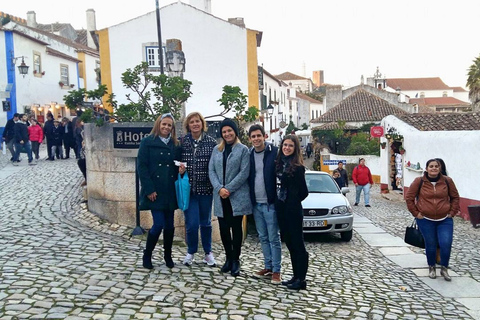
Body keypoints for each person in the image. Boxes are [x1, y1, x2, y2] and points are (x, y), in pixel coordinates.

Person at [137, 113, 182, 269]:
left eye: (169, 125)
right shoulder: (147, 142)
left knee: (170, 225)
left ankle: (167, 256)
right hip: (155, 190)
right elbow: (141, 167)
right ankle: (147, 254)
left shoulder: (175, 144)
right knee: (158, 224)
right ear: (158, 124)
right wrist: (149, 189)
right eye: (164, 124)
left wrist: (181, 168)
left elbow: (178, 164)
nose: (166, 127)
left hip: (169, 190)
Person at [208, 118, 251, 277]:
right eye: (224, 131)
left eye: (229, 131)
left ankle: (235, 260)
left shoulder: (243, 150)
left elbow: (244, 172)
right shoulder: (216, 150)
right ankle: (227, 258)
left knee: (236, 229)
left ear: (235, 132)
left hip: (236, 196)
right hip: (220, 197)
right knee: (224, 229)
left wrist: (229, 189)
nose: (227, 134)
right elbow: (211, 171)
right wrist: (219, 188)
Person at [405, 159, 460, 281]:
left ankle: (444, 268)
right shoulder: (419, 181)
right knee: (430, 245)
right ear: (426, 168)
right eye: (431, 166)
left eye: (436, 166)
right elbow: (409, 198)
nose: (434, 168)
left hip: (444, 219)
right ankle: (431, 267)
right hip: (425, 219)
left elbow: (455, 197)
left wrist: (452, 212)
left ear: (440, 168)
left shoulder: (447, 181)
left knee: (446, 243)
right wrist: (416, 213)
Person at [180, 112, 217, 267]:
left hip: (206, 189)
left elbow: (215, 165)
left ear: (202, 124)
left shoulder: (211, 142)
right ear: (188, 125)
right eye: (192, 122)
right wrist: (180, 170)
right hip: (189, 190)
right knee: (192, 224)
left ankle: (208, 252)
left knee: (206, 223)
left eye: (198, 121)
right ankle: (191, 251)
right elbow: (175, 161)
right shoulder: (182, 142)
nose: (195, 124)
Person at [248, 124, 282, 285]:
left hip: (270, 203)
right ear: (250, 139)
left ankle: (276, 270)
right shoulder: (249, 154)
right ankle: (267, 266)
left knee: (274, 238)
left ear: (264, 136)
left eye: (258, 136)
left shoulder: (274, 153)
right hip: (256, 204)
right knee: (262, 237)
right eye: (253, 136)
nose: (256, 139)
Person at [275, 134, 309, 290]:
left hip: (293, 211)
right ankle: (295, 276)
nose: (286, 148)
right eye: (285, 145)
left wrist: (292, 201)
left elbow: (304, 192)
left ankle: (301, 280)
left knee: (298, 245)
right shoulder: (279, 164)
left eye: (290, 146)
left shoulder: (298, 168)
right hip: (281, 210)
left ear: (295, 149)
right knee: (289, 243)